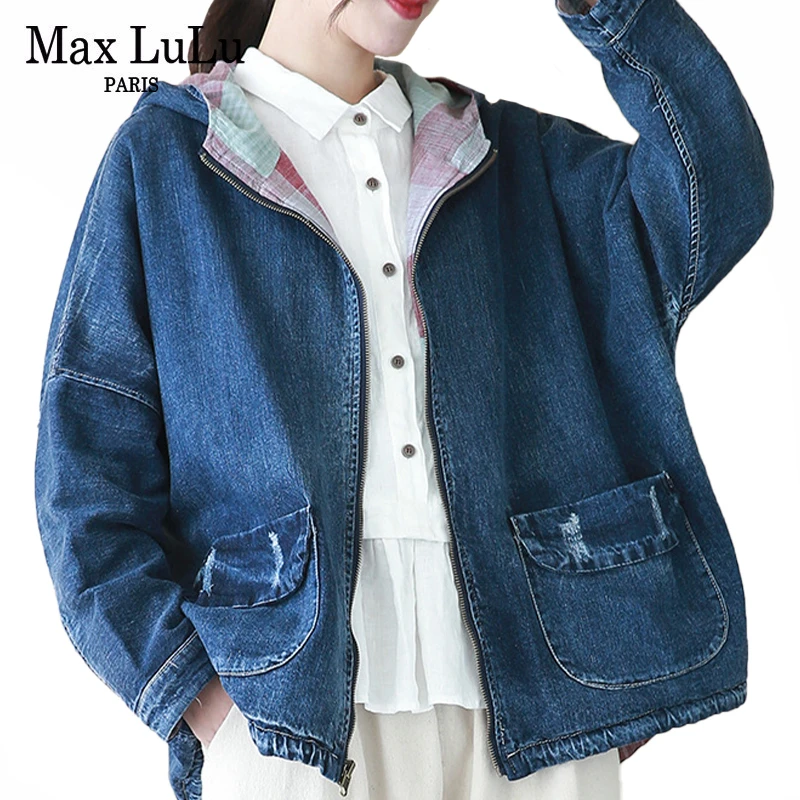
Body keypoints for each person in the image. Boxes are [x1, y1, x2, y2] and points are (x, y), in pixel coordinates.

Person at [33, 0, 773, 799]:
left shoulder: (513, 159)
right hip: (284, 719)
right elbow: (87, 474)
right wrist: (201, 701)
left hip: (542, 708)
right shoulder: (169, 159)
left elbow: (719, 185)